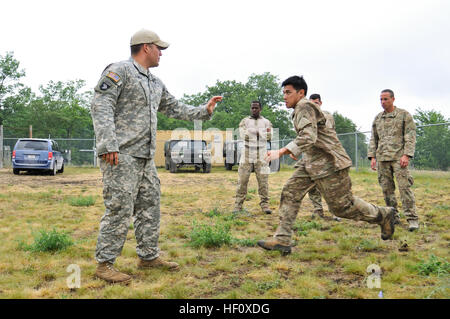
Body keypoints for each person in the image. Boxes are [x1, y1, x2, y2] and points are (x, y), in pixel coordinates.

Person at [91, 29, 222, 284]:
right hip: (121, 155)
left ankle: (148, 257)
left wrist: (204, 111)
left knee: (150, 206)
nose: (161, 53)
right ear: (146, 47)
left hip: (144, 158)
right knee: (119, 208)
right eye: (159, 48)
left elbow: (174, 107)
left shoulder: (154, 82)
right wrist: (108, 145)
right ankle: (105, 264)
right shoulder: (120, 71)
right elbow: (101, 105)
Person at [257, 76, 396, 255]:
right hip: (311, 163)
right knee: (290, 192)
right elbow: (312, 137)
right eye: (283, 93)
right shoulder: (301, 108)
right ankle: (282, 239)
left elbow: (308, 136)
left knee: (342, 207)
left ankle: (383, 215)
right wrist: (297, 151)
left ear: (301, 93)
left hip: (330, 164)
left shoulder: (304, 106)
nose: (284, 96)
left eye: (288, 92)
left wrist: (282, 151)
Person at [368, 89, 418, 231]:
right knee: (387, 190)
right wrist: (372, 157)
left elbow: (410, 136)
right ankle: (393, 217)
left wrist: (406, 155)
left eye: (386, 99)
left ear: (393, 99)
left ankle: (412, 219)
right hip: (383, 159)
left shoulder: (403, 115)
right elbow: (374, 139)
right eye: (381, 99)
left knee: (405, 189)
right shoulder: (378, 118)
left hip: (398, 159)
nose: (383, 102)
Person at [234, 101, 273, 214]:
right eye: (252, 108)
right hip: (247, 153)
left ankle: (265, 205)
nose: (254, 110)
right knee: (242, 180)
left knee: (263, 181)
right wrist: (261, 133)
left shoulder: (266, 122)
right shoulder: (245, 121)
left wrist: (254, 132)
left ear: (260, 109)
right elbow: (243, 135)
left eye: (256, 108)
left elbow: (270, 136)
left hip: (261, 153)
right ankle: (238, 205)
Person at [307, 94, 340, 222]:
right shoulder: (307, 118)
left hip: (327, 155)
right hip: (313, 155)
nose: (314, 105)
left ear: (320, 103)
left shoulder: (328, 117)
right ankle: (318, 210)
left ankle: (335, 212)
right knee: (313, 185)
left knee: (330, 185)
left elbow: (333, 134)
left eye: (316, 102)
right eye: (312, 103)